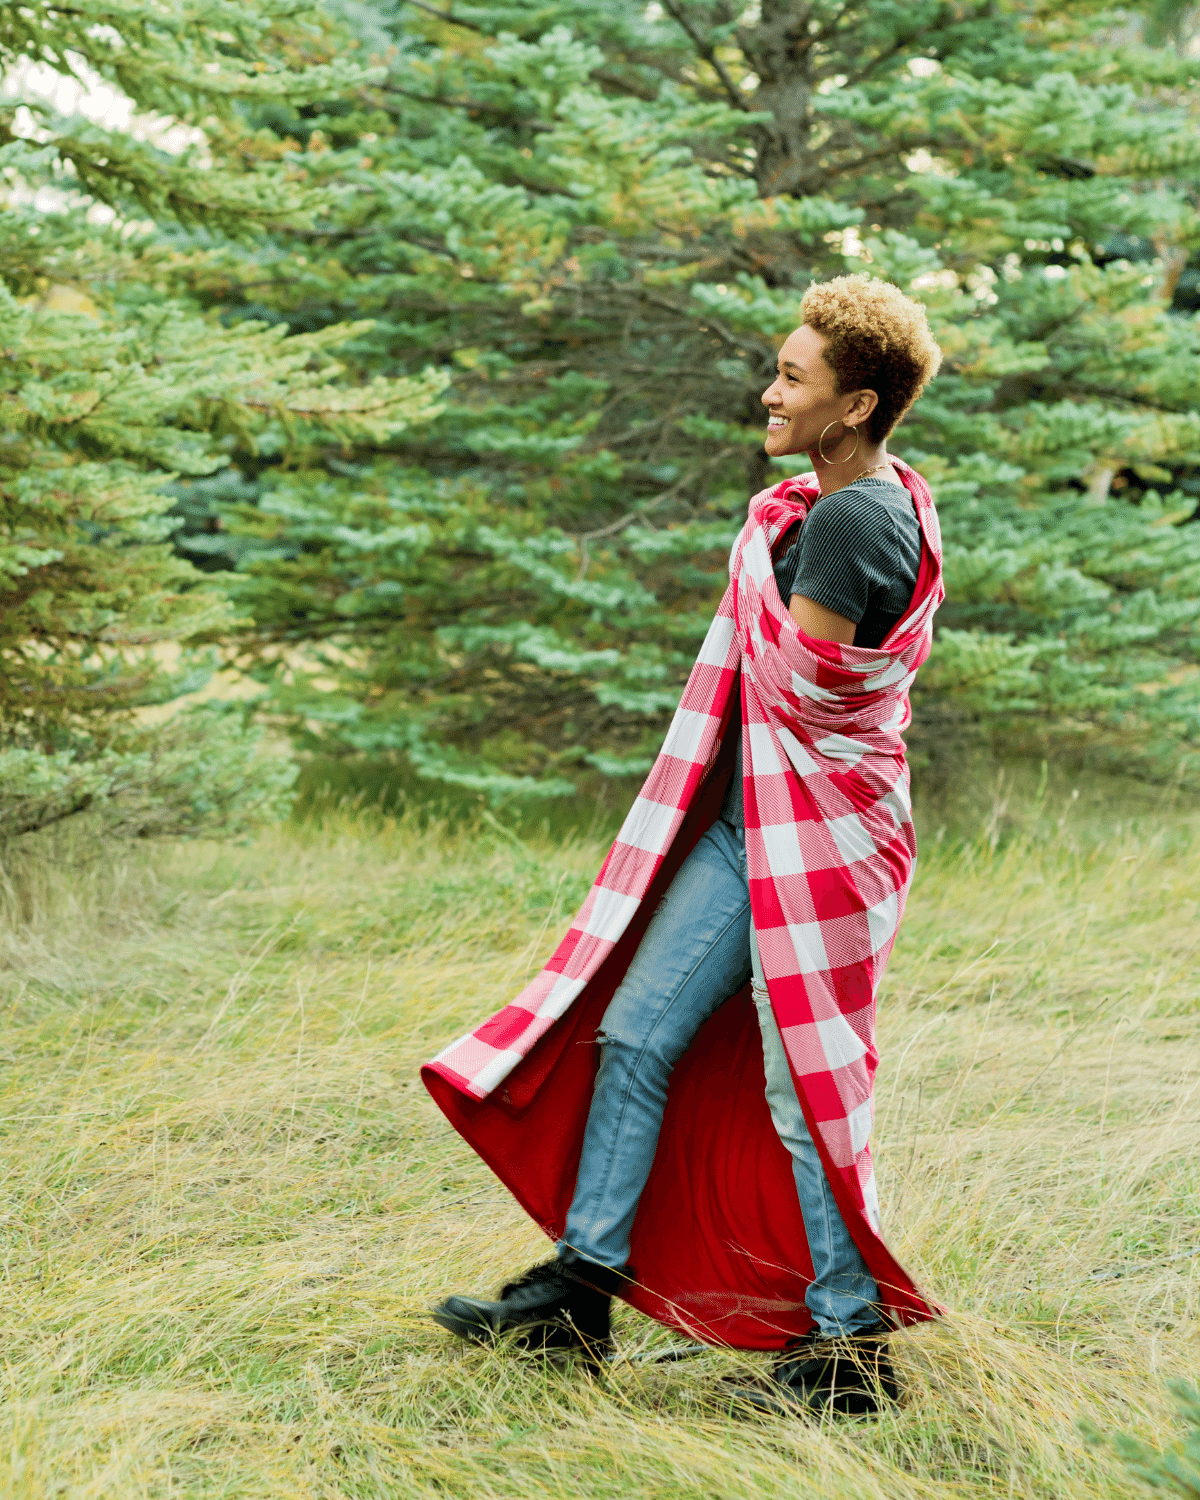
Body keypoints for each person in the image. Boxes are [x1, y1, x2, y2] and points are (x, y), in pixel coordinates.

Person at [425, 274, 944, 1417]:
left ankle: (851, 1358)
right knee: (636, 1032)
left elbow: (808, 695)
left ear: (854, 405)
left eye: (793, 379)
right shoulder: (816, 508)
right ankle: (580, 1289)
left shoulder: (856, 519)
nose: (770, 391)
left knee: (800, 1088)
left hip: (819, 839)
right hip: (745, 832)